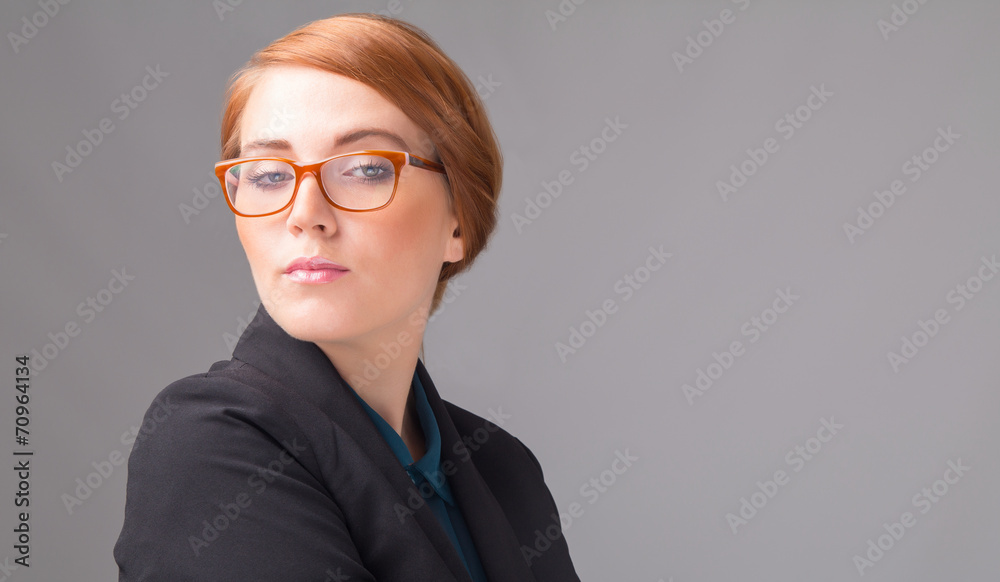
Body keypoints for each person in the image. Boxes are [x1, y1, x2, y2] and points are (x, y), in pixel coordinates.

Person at [113, 12, 580, 582]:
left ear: (458, 220)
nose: (305, 215)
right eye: (265, 174)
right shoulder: (207, 445)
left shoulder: (504, 470)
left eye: (362, 168)